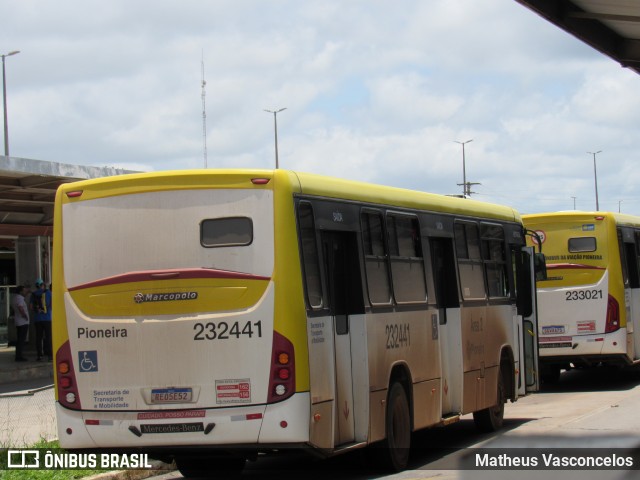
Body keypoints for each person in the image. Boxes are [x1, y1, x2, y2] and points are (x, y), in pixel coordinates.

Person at [31, 279, 52, 361]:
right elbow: (51, 304)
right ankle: (50, 356)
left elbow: (31, 307)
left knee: (38, 338)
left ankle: (39, 355)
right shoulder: (48, 293)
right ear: (43, 285)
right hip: (47, 318)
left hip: (37, 319)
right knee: (48, 337)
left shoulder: (33, 294)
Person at [11, 285, 30, 362]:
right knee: (21, 340)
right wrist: (24, 315)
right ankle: (19, 356)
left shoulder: (15, 298)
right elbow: (20, 307)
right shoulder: (20, 298)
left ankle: (18, 355)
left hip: (19, 321)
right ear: (20, 291)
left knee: (20, 339)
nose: (25, 292)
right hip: (22, 322)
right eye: (24, 291)